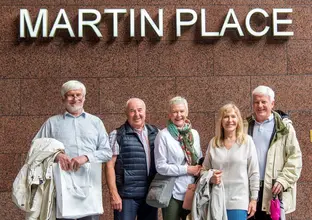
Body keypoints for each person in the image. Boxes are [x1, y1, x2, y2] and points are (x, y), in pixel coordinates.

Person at [34, 80, 112, 220]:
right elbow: (36, 148)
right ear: (63, 98)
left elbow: (107, 152)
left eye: (78, 95)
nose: (75, 99)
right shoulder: (52, 123)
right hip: (62, 188)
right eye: (70, 95)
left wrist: (86, 157)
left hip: (89, 188)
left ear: (84, 98)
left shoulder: (95, 122)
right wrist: (56, 155)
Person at [246, 86, 302, 219]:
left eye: (263, 102)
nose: (260, 106)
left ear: (272, 104)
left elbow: (295, 158)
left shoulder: (284, 127)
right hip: (249, 189)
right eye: (256, 102)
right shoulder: (244, 126)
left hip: (273, 190)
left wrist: (283, 180)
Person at [202, 103, 259, 220]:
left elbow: (254, 173)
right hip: (216, 200)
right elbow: (203, 170)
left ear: (238, 120)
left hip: (239, 202)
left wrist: (253, 199)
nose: (230, 120)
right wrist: (211, 178)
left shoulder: (247, 141)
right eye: (226, 117)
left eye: (233, 116)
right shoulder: (214, 143)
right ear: (221, 121)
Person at [105, 98, 159, 220]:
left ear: (145, 112)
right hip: (126, 196)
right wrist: (114, 194)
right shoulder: (117, 134)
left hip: (150, 195)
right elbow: (109, 165)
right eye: (132, 111)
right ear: (126, 113)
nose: (137, 114)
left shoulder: (156, 133)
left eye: (140, 110)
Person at [154, 96, 202, 220]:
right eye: (175, 112)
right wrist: (186, 169)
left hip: (192, 190)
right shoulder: (163, 135)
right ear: (169, 114)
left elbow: (199, 158)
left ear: (187, 112)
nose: (178, 115)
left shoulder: (194, 134)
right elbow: (160, 167)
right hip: (172, 192)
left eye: (181, 111)